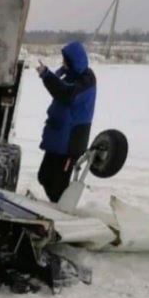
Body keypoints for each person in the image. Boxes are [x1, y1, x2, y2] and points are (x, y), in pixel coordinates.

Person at [36, 41, 97, 203]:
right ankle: (55, 206)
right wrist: (53, 74)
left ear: (73, 61)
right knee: (43, 176)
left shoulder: (87, 80)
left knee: (58, 185)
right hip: (58, 137)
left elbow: (65, 93)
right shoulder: (70, 74)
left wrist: (47, 75)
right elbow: (59, 85)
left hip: (70, 141)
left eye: (65, 60)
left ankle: (61, 212)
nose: (63, 63)